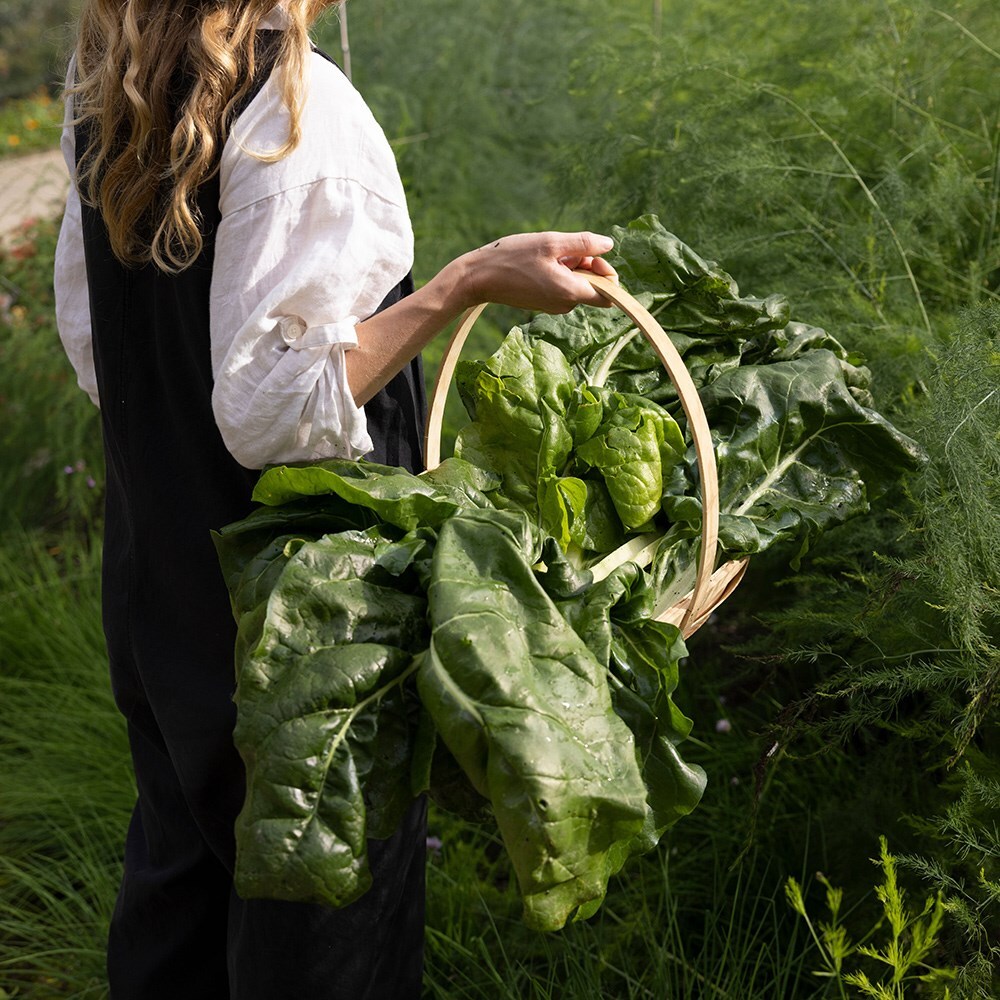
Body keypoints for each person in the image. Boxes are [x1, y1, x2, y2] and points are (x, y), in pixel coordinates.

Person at [53, 1, 617, 997]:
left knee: (181, 879)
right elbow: (268, 415)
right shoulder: (294, 110)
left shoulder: (115, 97)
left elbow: (97, 348)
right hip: (306, 604)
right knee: (318, 932)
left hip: (161, 573)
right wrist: (463, 284)